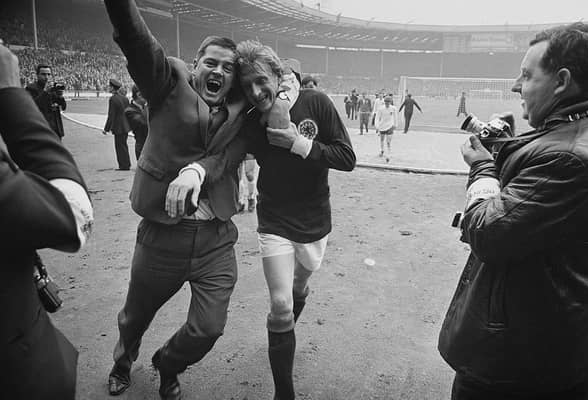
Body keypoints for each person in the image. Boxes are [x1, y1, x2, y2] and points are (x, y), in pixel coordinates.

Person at [103, 1, 256, 398]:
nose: (218, 71)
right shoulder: (167, 83)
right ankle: (123, 362)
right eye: (211, 62)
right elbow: (137, 42)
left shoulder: (244, 112)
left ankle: (168, 363)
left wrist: (198, 170)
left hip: (216, 238)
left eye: (227, 67)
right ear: (195, 64)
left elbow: (232, 154)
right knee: (135, 317)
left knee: (209, 327)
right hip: (162, 235)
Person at [439, 22, 588, 400]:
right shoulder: (579, 134)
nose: (516, 86)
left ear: (561, 81)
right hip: (560, 345)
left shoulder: (569, 157)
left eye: (527, 76)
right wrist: (511, 150)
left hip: (518, 362)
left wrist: (482, 167)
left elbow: (487, 233)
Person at [189, 40, 356, 400]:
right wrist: (194, 170)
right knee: (280, 306)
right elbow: (224, 151)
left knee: (298, 289)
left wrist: (298, 143)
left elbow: (346, 158)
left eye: (261, 80)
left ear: (278, 76)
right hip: (274, 219)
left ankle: (289, 322)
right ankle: (285, 392)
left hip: (314, 219)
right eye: (247, 84)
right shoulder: (250, 121)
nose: (255, 91)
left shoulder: (317, 103)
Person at [0, 43, 93, 400]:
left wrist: (58, 102)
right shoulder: (27, 94)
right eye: (43, 75)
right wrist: (14, 100)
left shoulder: (50, 93)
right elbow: (74, 217)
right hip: (23, 370)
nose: (46, 78)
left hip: (47, 134)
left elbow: (59, 111)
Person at [25, 63, 67, 139]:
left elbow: (63, 107)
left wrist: (60, 96)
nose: (46, 77)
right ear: (37, 75)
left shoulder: (53, 88)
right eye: (43, 74)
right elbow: (32, 107)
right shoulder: (30, 88)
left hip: (55, 130)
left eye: (48, 74)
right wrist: (45, 92)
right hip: (40, 130)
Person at [103, 78, 131, 170]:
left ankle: (123, 166)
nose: (109, 88)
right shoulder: (125, 98)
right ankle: (126, 164)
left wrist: (106, 129)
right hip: (126, 126)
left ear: (112, 88)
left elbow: (111, 115)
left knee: (119, 147)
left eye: (110, 87)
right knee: (124, 146)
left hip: (118, 127)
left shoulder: (113, 99)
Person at [124, 84, 148, 160]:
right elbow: (144, 124)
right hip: (143, 149)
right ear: (139, 95)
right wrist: (148, 105)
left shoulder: (144, 108)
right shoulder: (129, 111)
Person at [374, 95, 397, 163]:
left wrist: (395, 125)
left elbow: (395, 117)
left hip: (390, 126)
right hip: (382, 126)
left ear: (390, 102)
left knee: (388, 142)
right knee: (382, 139)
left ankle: (388, 155)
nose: (387, 103)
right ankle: (382, 150)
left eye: (388, 102)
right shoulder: (380, 109)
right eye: (386, 102)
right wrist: (377, 126)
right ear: (384, 102)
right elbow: (377, 118)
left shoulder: (393, 108)